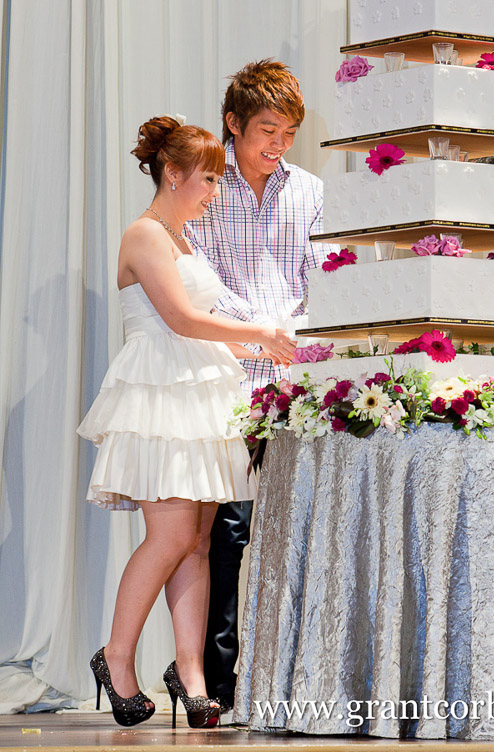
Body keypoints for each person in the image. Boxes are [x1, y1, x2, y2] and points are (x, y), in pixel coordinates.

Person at [77, 117, 296, 729]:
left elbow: (206, 322)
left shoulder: (184, 240)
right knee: (171, 537)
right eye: (208, 179)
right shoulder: (144, 234)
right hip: (161, 395)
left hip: (201, 390)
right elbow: (177, 318)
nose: (215, 192)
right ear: (172, 174)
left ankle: (191, 672)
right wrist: (261, 335)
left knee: (198, 543)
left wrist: (273, 347)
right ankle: (116, 658)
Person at [187, 59, 338, 709]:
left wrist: (303, 341)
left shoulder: (308, 191)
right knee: (226, 535)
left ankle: (290, 681)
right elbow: (197, 284)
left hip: (298, 380)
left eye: (288, 133)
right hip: (225, 375)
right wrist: (258, 332)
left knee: (301, 531)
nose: (277, 145)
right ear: (233, 124)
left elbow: (328, 275)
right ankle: (215, 684)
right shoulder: (202, 187)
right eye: (267, 131)